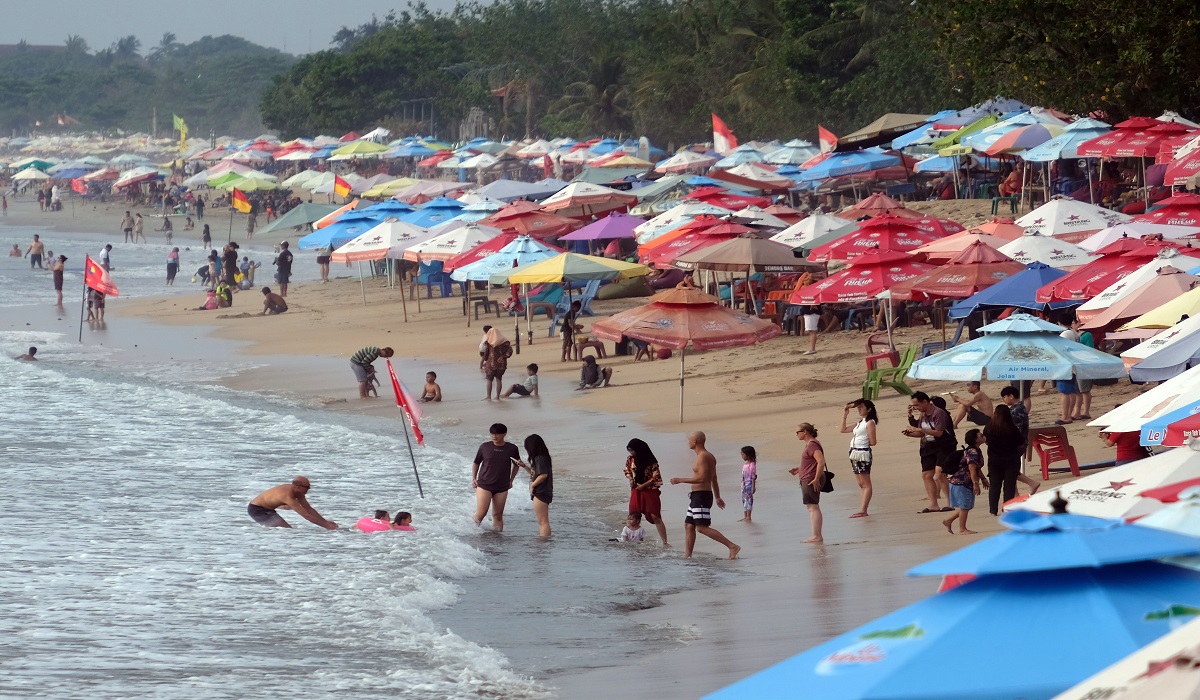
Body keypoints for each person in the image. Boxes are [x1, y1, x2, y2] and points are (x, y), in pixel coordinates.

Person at [670, 431, 741, 559]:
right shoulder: (709, 456)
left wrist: (680, 480)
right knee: (689, 525)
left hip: (701, 496)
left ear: (695, 442)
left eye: (689, 440)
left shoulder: (703, 456)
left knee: (702, 528)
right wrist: (718, 496)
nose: (688, 442)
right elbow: (714, 478)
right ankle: (687, 556)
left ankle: (732, 546)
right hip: (698, 496)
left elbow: (702, 478)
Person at [903, 391, 955, 514]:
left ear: (925, 402)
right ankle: (933, 504)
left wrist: (920, 429)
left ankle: (950, 502)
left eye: (917, 405)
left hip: (943, 445)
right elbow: (922, 433)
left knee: (940, 473)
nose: (916, 408)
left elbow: (939, 432)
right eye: (914, 406)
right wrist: (911, 434)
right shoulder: (923, 414)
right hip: (928, 446)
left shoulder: (939, 413)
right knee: (926, 475)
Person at [470, 423, 522, 532]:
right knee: (481, 513)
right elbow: (476, 463)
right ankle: (469, 532)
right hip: (484, 484)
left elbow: (517, 465)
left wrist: (511, 480)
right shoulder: (485, 447)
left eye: (497, 434)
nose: (494, 436)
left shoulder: (512, 448)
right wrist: (474, 478)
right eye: (492, 434)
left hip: (502, 486)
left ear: (504, 434)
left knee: (498, 515)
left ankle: (497, 542)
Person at [984, 404, 1033, 515]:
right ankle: (1007, 508)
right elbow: (1020, 441)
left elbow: (986, 441)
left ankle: (993, 510)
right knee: (1009, 486)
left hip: (994, 460)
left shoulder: (988, 428)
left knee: (995, 486)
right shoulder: (1011, 428)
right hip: (1011, 459)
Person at [624, 438, 670, 547]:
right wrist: (631, 479)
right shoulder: (631, 459)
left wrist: (644, 485)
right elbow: (627, 470)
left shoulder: (651, 461)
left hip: (650, 491)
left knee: (655, 516)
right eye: (629, 450)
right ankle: (630, 540)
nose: (631, 453)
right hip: (636, 490)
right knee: (633, 516)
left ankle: (665, 542)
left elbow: (656, 476)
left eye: (632, 450)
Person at [247, 476, 338, 529]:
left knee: (285, 530)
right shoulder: (287, 496)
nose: (309, 489)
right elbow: (306, 515)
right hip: (257, 510)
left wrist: (325, 522)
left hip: (267, 509)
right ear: (298, 486)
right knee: (284, 531)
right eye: (307, 487)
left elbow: (308, 509)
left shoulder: (298, 492)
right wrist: (326, 526)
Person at [943, 429, 987, 535]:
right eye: (981, 435)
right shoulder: (972, 451)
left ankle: (948, 521)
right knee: (965, 506)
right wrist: (976, 484)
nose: (983, 436)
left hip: (961, 482)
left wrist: (983, 479)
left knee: (965, 506)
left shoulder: (975, 450)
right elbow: (972, 468)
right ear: (976, 439)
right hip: (961, 482)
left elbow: (977, 468)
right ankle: (962, 529)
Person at [840, 398, 878, 518]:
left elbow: (873, 441)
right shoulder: (860, 422)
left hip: (862, 453)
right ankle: (862, 508)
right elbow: (843, 430)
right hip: (854, 452)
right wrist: (845, 415)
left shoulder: (870, 422)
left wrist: (863, 443)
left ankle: (863, 509)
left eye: (861, 407)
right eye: (859, 408)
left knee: (865, 482)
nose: (859, 409)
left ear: (869, 409)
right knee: (861, 483)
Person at [514, 433, 554, 538]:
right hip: (543, 491)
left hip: (541, 491)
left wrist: (533, 486)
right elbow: (535, 473)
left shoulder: (540, 459)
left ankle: (544, 542)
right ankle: (545, 541)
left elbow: (543, 475)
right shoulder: (542, 458)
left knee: (543, 521)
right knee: (543, 521)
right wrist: (524, 466)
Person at [482, 327, 513, 401]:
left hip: (491, 364)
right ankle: (497, 396)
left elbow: (486, 353)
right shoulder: (505, 342)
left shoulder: (489, 342)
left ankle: (488, 396)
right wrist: (503, 357)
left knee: (489, 380)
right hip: (501, 365)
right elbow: (510, 352)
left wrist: (485, 360)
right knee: (499, 379)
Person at [1075, 324, 1095, 419]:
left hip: (1084, 365)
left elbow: (1090, 349)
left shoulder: (1087, 335)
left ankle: (1086, 411)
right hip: (1077, 364)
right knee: (1078, 390)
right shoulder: (1075, 334)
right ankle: (1077, 412)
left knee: (1084, 390)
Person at [738, 446, 757, 522]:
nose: (742, 456)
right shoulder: (745, 464)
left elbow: (753, 476)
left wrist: (753, 486)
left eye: (743, 454)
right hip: (744, 485)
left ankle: (749, 516)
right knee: (744, 500)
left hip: (749, 485)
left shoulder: (752, 464)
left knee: (749, 500)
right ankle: (745, 516)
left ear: (748, 455)